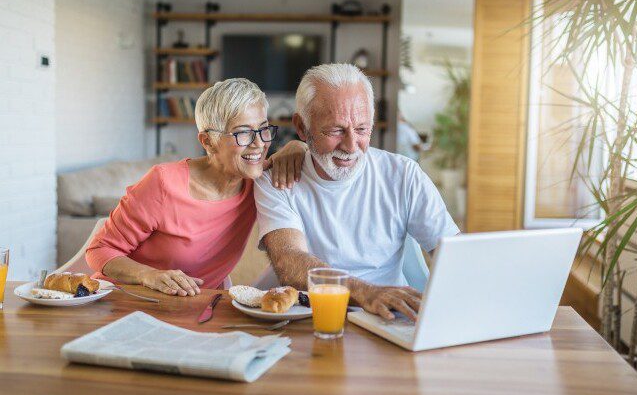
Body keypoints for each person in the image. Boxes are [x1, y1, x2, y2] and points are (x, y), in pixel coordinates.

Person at [254, 64, 459, 321]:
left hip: (389, 318)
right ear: (302, 127)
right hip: (312, 319)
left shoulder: (404, 174)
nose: (351, 146)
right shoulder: (278, 179)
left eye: (362, 129)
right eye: (335, 130)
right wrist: (367, 293)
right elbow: (290, 262)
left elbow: (452, 254)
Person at [85, 78, 307, 296]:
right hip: (125, 300)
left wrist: (298, 146)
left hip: (192, 308)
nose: (259, 143)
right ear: (207, 141)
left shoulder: (259, 181)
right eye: (243, 133)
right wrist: (149, 275)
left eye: (263, 129)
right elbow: (99, 250)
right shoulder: (163, 183)